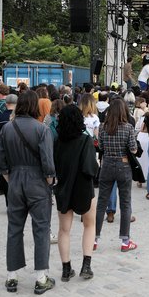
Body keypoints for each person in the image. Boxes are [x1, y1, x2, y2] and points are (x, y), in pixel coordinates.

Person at [0, 90, 56, 295]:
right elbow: (48, 164)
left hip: (15, 180)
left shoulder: (7, 129)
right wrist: (49, 183)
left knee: (14, 228)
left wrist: (12, 180)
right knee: (41, 228)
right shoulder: (42, 129)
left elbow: (1, 163)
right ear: (35, 107)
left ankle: (11, 275)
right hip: (37, 181)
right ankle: (41, 277)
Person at [53, 105, 99, 281]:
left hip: (64, 187)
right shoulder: (85, 140)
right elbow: (89, 168)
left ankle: (66, 269)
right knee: (89, 225)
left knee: (64, 230)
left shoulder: (57, 141)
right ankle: (86, 266)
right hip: (83, 188)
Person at [95, 98, 138, 252]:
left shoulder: (102, 127)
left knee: (101, 203)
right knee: (125, 203)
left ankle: (94, 238)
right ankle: (125, 241)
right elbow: (133, 149)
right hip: (123, 165)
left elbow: (100, 146)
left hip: (106, 164)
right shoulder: (128, 128)